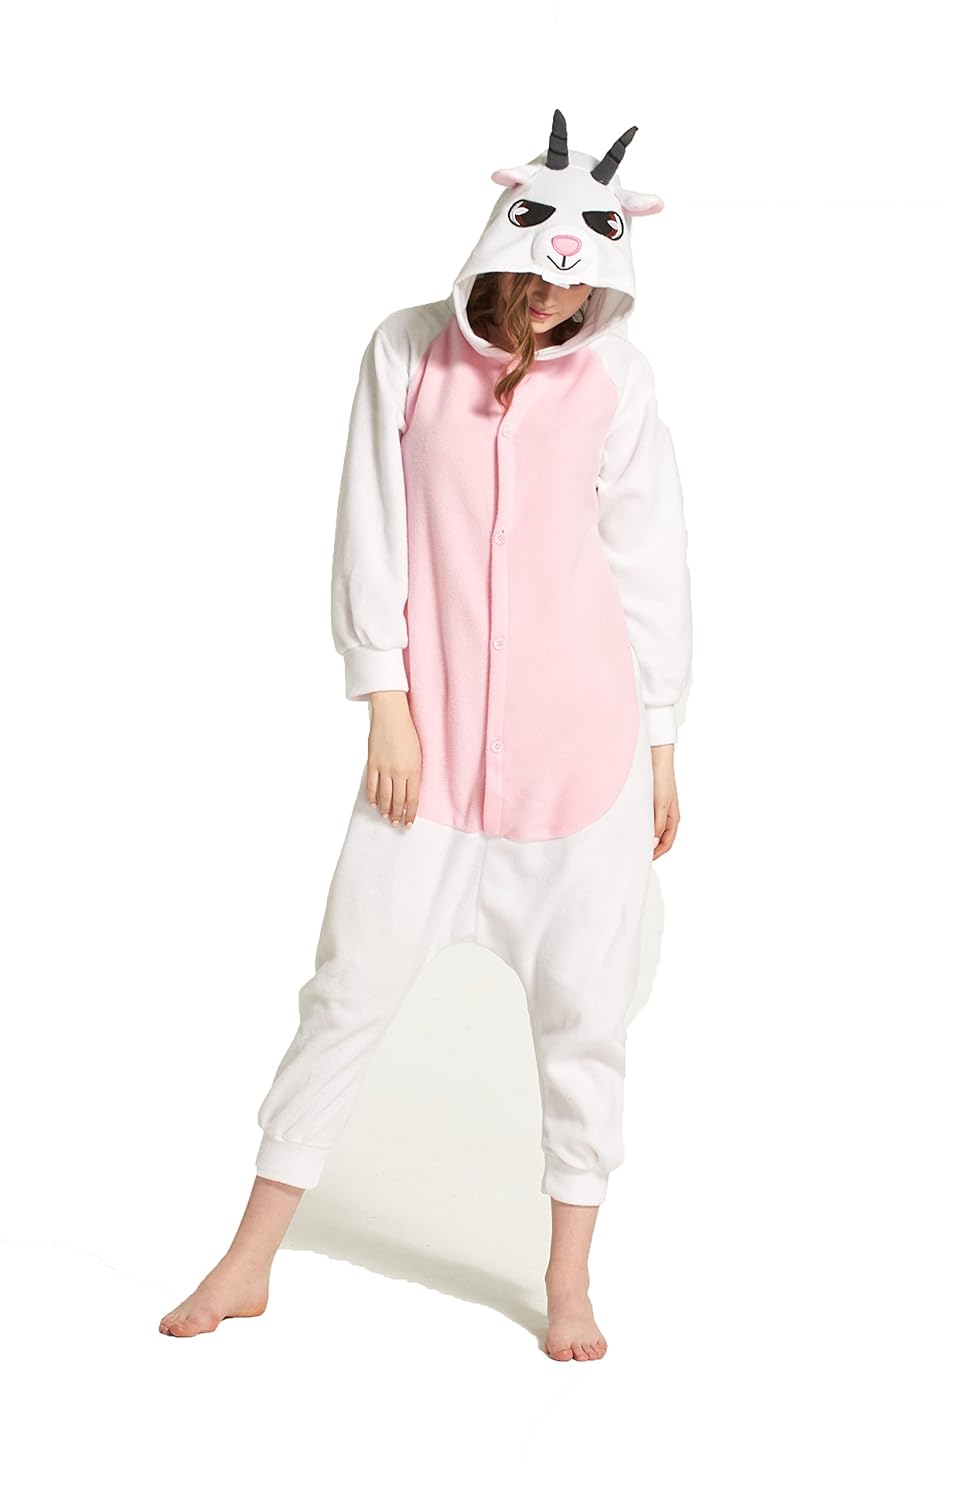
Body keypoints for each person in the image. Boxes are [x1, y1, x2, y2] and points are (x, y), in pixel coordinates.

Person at [159, 108, 693, 1360]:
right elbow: (373, 527)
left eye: (585, 286)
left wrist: (663, 742)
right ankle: (250, 1259)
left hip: (585, 756)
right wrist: (383, 699)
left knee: (585, 1020)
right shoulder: (404, 350)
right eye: (543, 278)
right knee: (347, 991)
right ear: (501, 244)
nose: (558, 302)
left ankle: (568, 1281)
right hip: (431, 756)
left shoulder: (619, 380)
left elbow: (647, 557)